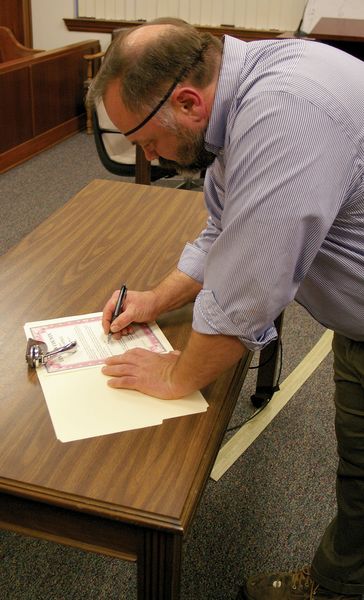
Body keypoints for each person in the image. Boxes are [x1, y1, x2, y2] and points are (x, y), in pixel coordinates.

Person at [87, 18, 364, 600]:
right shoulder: (246, 82)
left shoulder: (282, 113)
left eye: (143, 141)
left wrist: (176, 374)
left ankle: (338, 590)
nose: (149, 156)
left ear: (186, 102)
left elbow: (251, 284)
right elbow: (224, 230)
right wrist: (155, 301)